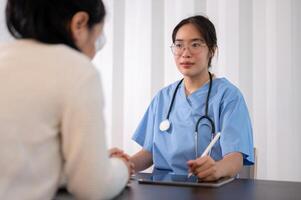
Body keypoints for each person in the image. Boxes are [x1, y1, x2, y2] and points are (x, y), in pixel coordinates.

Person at [0, 0, 133, 199]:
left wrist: (88, 160)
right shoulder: (76, 69)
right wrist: (121, 167)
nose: (95, 50)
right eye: (97, 38)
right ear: (79, 23)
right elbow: (93, 187)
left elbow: (18, 166)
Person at [130, 15, 254, 181]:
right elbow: (150, 152)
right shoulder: (163, 97)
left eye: (195, 44)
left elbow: (235, 159)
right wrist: (125, 165)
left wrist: (216, 169)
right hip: (162, 190)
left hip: (210, 188)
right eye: (179, 45)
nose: (185, 53)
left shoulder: (228, 96)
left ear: (212, 50)